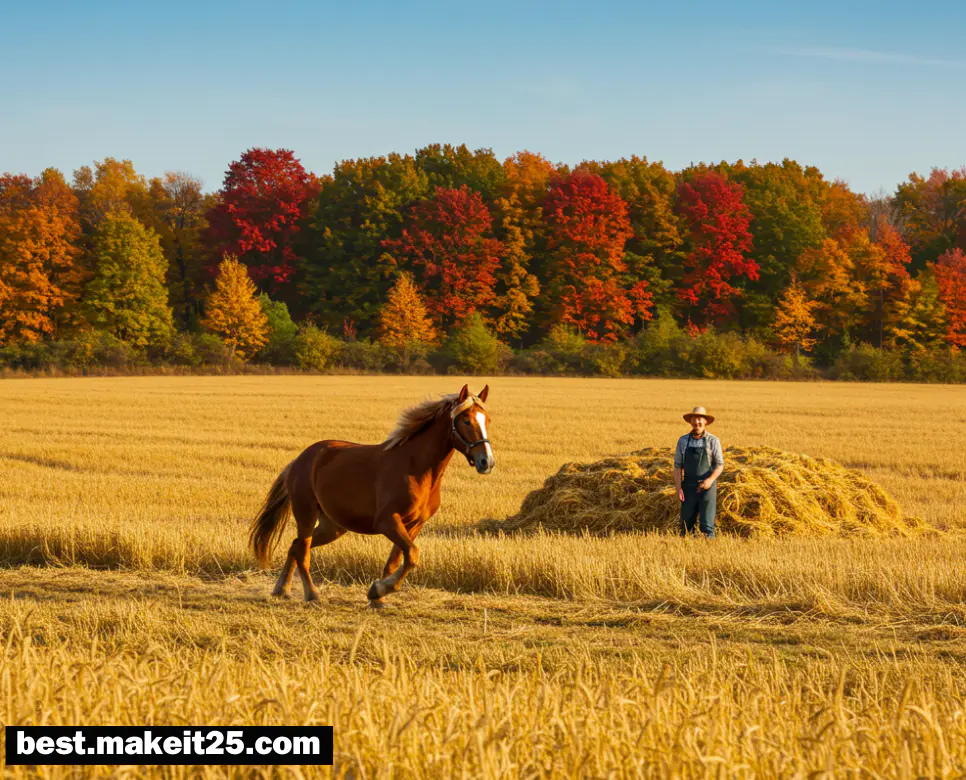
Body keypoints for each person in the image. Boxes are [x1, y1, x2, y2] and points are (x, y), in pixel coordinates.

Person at [673, 406, 723, 538]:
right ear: (690, 421)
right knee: (685, 526)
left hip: (707, 487)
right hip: (688, 487)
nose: (697, 422)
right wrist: (679, 488)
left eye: (700, 419)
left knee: (707, 526)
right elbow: (678, 466)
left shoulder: (713, 441)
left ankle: (707, 551)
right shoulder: (683, 441)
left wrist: (710, 480)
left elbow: (720, 465)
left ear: (705, 421)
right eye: (694, 419)